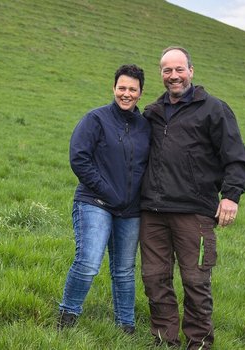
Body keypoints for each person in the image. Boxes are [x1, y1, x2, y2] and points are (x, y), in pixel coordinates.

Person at [139, 46, 245, 349]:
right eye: (167, 70)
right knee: (154, 279)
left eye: (179, 69)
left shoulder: (214, 109)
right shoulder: (152, 112)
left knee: (196, 282)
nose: (173, 76)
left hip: (195, 213)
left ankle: (199, 344)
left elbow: (236, 158)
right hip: (153, 212)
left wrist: (231, 196)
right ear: (161, 74)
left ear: (191, 70)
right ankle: (164, 342)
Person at [57, 64, 151, 334]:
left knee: (124, 270)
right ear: (113, 88)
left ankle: (126, 326)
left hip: (130, 210)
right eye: (121, 87)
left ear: (140, 93)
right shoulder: (95, 119)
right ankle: (67, 316)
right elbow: (79, 158)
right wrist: (108, 191)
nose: (126, 93)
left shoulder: (145, 127)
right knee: (88, 262)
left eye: (132, 89)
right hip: (95, 202)